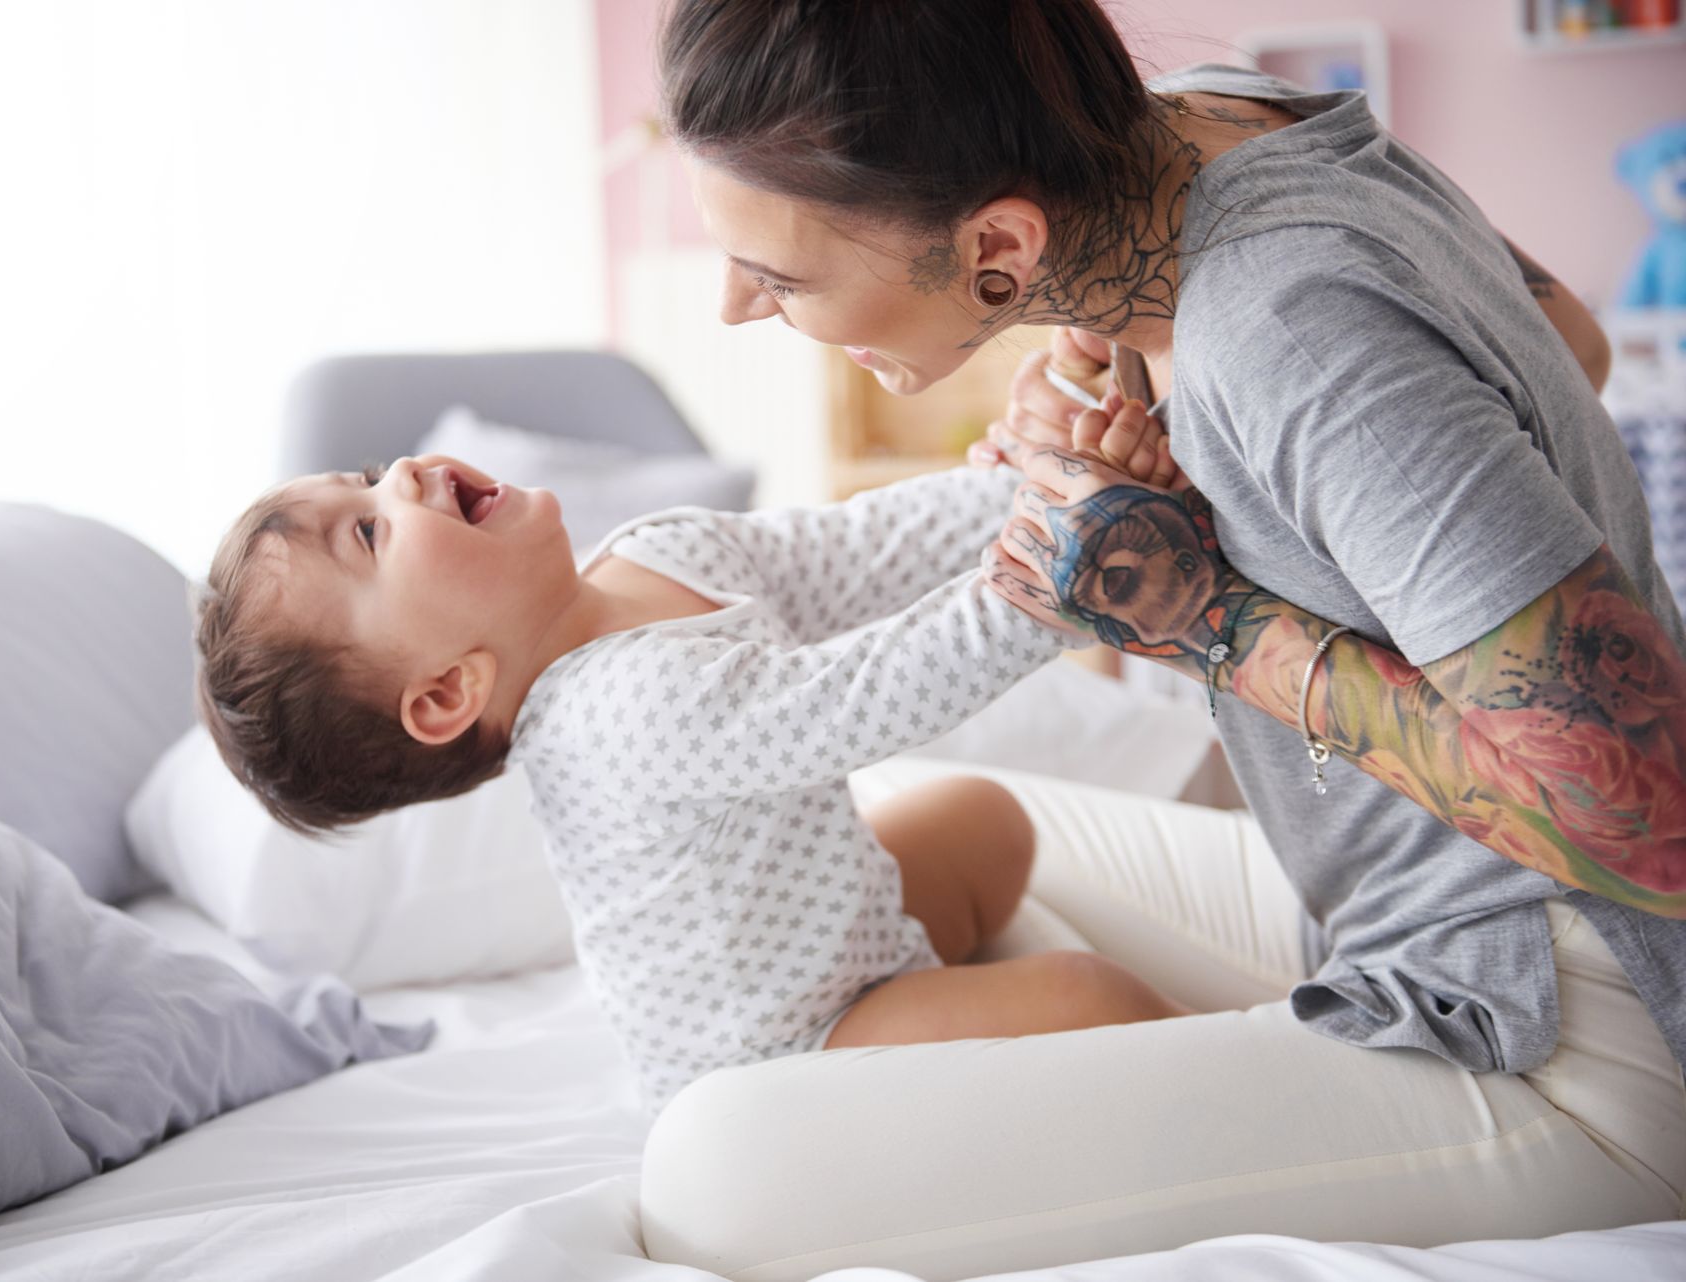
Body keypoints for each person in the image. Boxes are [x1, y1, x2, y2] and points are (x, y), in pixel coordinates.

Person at [638, 0, 1686, 1275]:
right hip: (1390, 915)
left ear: (1000, 244)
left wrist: (1205, 618)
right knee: (930, 807)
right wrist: (1113, 375)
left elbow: (1645, 820)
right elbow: (1565, 344)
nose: (737, 305)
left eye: (780, 275)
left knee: (713, 1171)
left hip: (1574, 1030)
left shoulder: (1285, 324)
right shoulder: (1219, 116)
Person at [192, 419, 1187, 1112]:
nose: (403, 472)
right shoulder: (620, 713)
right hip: (776, 1068)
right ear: (449, 691)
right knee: (1086, 999)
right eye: (368, 531)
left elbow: (867, 548)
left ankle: (943, 995)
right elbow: (870, 692)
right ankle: (1248, 1090)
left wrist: (1040, 490)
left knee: (985, 821)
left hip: (834, 934)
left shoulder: (657, 551)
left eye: (368, 475)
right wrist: (1052, 584)